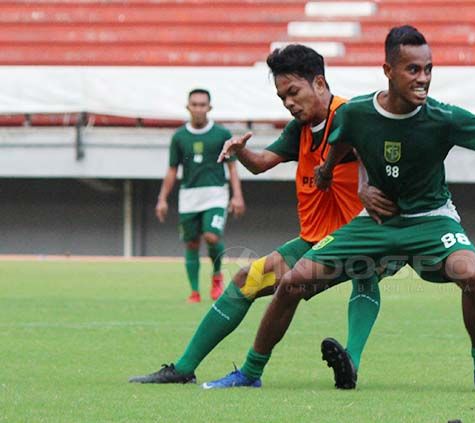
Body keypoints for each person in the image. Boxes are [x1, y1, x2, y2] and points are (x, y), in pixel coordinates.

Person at [203, 25, 475, 392]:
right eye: (413, 69)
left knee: (473, 274)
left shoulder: (441, 117)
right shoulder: (359, 112)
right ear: (388, 70)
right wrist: (334, 173)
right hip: (375, 223)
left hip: (431, 220)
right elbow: (347, 140)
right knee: (291, 283)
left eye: (428, 69)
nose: (424, 78)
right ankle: (250, 373)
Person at [130, 45, 399, 389]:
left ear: (319, 83)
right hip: (316, 238)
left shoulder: (352, 115)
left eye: (293, 92)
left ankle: (341, 364)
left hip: (362, 234)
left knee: (363, 271)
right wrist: (241, 152)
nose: (288, 102)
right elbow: (261, 164)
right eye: (281, 96)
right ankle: (183, 367)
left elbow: (375, 157)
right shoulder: (299, 128)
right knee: (246, 280)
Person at [155, 88, 245, 303]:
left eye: (202, 105)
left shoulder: (221, 134)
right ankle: (194, 292)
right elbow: (172, 169)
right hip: (189, 197)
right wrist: (162, 198)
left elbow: (232, 167)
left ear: (209, 108)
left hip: (215, 194)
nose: (198, 109)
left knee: (212, 236)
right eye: (194, 105)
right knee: (192, 243)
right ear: (188, 107)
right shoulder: (179, 137)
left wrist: (237, 195)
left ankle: (217, 276)